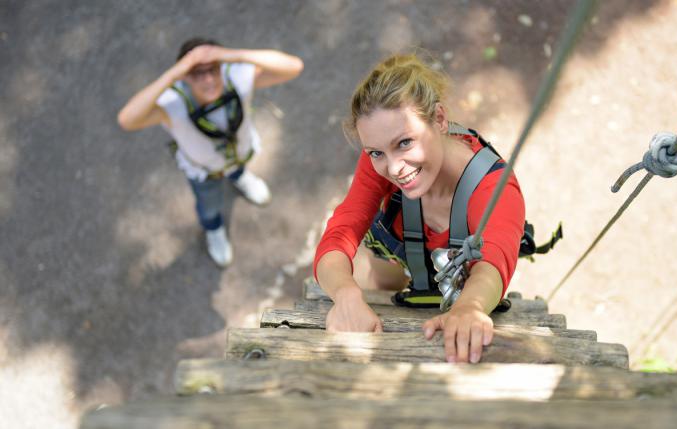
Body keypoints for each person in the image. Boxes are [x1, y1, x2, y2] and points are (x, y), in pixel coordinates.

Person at [313, 54, 525, 364]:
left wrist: (471, 306)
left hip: (465, 264)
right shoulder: (382, 156)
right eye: (376, 152)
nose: (395, 168)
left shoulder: (495, 189)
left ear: (439, 119)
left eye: (405, 143)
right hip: (400, 249)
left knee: (468, 285)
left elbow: (494, 259)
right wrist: (346, 293)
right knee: (383, 285)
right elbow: (342, 229)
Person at [117, 38, 303, 267]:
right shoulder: (173, 102)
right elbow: (127, 119)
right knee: (209, 205)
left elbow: (293, 67)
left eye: (213, 69)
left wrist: (231, 54)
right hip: (204, 172)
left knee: (237, 168)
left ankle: (239, 177)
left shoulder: (234, 78)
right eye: (196, 73)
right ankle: (214, 229)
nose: (208, 79)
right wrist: (174, 73)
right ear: (184, 75)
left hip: (238, 155)